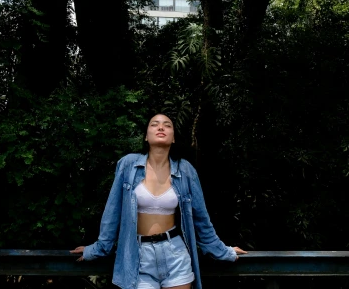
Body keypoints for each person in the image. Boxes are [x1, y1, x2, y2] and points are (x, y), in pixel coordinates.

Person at [70, 113, 247, 289]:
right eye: (154, 124)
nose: (161, 127)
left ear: (174, 138)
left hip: (175, 254)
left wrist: (224, 251)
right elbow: (112, 212)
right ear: (146, 136)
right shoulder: (128, 165)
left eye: (167, 125)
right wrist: (97, 248)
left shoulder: (185, 170)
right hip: (137, 256)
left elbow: (201, 218)